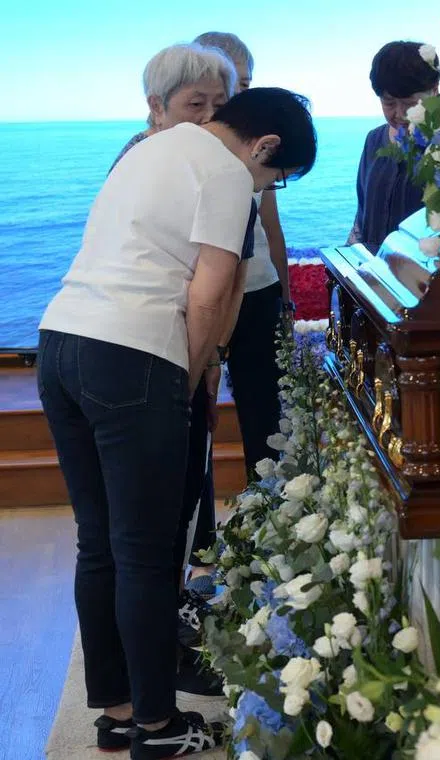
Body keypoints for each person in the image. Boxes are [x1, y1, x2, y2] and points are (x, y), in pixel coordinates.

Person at [38, 86, 316, 758]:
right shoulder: (225, 173)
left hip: (60, 341)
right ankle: (159, 730)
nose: (264, 186)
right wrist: (188, 380)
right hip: (133, 355)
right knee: (146, 551)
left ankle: (117, 711)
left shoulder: (149, 148)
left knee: (99, 543)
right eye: (272, 177)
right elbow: (211, 289)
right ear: (265, 146)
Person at [107, 41, 243, 663]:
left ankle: (174, 603)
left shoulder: (201, 158)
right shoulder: (151, 159)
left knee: (188, 480)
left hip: (169, 348)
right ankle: (163, 638)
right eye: (196, 104)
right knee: (157, 509)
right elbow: (202, 283)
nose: (210, 118)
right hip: (152, 353)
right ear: (156, 108)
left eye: (220, 104)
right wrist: (194, 373)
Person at [195, 32, 294, 485]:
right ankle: (200, 536)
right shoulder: (182, 149)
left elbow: (271, 228)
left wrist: (287, 300)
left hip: (257, 292)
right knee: (198, 417)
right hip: (204, 297)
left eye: (246, 84)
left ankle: (269, 511)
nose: (241, 96)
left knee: (265, 416)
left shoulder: (259, 146)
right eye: (233, 86)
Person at [347, 41, 440, 246]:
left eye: (409, 104)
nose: (398, 114)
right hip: (376, 270)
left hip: (428, 272)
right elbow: (362, 216)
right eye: (388, 103)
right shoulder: (374, 140)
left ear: (435, 90)